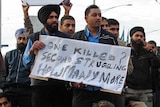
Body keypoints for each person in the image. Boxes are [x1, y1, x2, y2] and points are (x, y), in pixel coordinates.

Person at [23, 4, 71, 107]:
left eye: (56, 17)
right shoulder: (34, 38)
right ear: (44, 20)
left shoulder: (65, 38)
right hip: (40, 86)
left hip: (60, 86)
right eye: (51, 17)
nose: (54, 20)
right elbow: (26, 63)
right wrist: (32, 51)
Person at [71, 4, 118, 107]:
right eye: (94, 15)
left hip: (104, 90)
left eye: (99, 15)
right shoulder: (76, 37)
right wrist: (73, 82)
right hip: (82, 90)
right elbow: (69, 63)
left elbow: (116, 62)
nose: (98, 18)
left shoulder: (110, 38)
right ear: (86, 18)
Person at [124, 26, 160, 107]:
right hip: (130, 90)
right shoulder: (126, 52)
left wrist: (150, 51)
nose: (139, 38)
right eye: (136, 36)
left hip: (146, 91)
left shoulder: (148, 53)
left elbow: (157, 64)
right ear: (131, 38)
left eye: (141, 36)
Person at [3, 28, 32, 107]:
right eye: (19, 38)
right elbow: (5, 73)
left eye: (24, 39)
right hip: (10, 90)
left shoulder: (31, 55)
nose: (21, 41)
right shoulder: (9, 54)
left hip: (26, 90)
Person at [145, 40, 160, 107]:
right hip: (148, 87)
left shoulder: (157, 58)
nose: (151, 50)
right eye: (149, 48)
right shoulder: (145, 57)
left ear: (156, 48)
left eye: (152, 48)